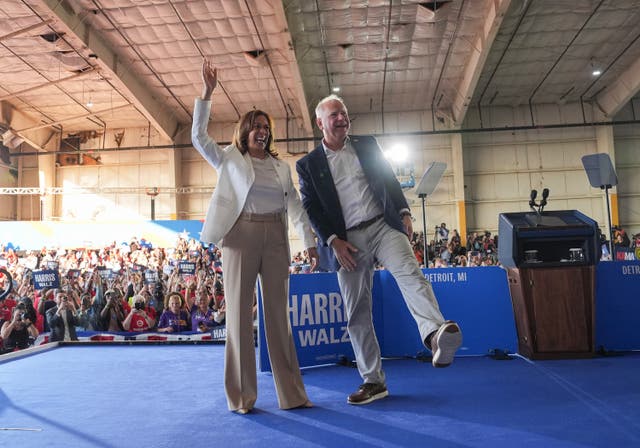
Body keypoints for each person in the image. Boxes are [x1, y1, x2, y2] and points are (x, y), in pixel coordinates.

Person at [296, 94, 463, 405]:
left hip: (383, 226)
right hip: (347, 241)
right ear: (320, 123)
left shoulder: (367, 144)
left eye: (344, 113)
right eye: (334, 115)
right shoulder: (308, 165)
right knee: (357, 312)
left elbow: (387, 178)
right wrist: (332, 241)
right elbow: (311, 208)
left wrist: (403, 211)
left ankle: (435, 333)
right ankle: (373, 382)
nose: (342, 118)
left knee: (411, 274)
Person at [192, 58, 318, 414]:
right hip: (240, 236)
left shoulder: (281, 167)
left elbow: (295, 206)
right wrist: (207, 92)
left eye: (265, 126)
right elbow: (198, 138)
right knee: (238, 319)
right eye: (255, 126)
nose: (261, 130)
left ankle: (292, 395)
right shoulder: (229, 159)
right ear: (245, 131)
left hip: (277, 236)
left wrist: (308, 243)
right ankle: (242, 397)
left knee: (279, 317)